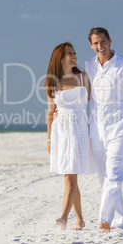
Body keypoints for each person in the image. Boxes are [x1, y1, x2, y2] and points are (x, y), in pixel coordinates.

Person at [85, 27, 123, 232]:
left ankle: (104, 220)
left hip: (120, 127)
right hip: (96, 129)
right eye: (95, 43)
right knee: (104, 178)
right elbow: (85, 95)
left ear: (110, 40)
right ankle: (118, 220)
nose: (100, 47)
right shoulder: (89, 66)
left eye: (103, 42)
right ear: (91, 46)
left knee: (114, 175)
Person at [45, 42, 96, 230]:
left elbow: (97, 103)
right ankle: (80, 220)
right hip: (62, 131)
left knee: (70, 177)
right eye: (69, 53)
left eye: (74, 53)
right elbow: (50, 112)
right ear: (60, 57)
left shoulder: (84, 77)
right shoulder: (53, 82)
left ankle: (64, 217)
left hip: (80, 129)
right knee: (70, 177)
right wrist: (49, 138)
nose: (74, 56)